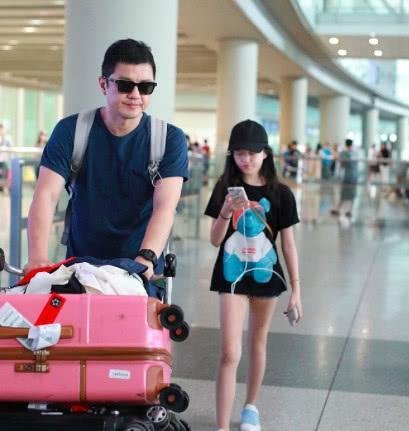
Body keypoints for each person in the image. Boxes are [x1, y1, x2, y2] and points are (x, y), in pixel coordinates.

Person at [26, 38, 188, 279]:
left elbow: (165, 206)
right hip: (80, 267)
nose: (135, 95)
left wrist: (146, 258)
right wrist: (37, 257)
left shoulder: (168, 139)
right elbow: (46, 194)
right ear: (104, 84)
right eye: (125, 85)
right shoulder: (72, 130)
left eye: (145, 87)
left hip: (140, 267)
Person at [204, 119, 302, 431]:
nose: (245, 159)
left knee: (258, 343)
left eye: (252, 153)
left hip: (266, 275)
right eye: (239, 153)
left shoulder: (281, 194)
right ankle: (222, 426)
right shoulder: (225, 189)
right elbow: (215, 240)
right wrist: (225, 211)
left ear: (265, 153)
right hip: (231, 276)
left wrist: (296, 290)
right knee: (229, 352)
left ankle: (250, 407)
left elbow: (288, 244)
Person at [330, 138, 358, 218]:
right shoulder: (355, 153)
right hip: (354, 175)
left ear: (345, 144)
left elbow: (342, 164)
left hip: (347, 175)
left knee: (344, 193)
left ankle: (338, 209)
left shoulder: (344, 153)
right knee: (352, 193)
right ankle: (350, 210)